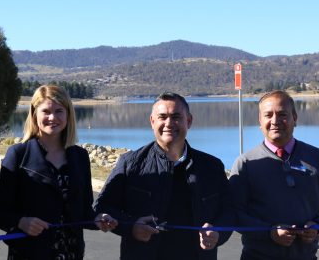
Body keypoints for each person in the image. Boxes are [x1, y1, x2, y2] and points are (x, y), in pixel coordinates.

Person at [94, 92, 232, 260]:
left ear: (188, 121)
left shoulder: (211, 167)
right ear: (152, 122)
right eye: (162, 117)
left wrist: (218, 233)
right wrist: (131, 228)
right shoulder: (130, 164)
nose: (169, 123)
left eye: (176, 117)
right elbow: (103, 207)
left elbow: (229, 211)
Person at [0, 84, 117, 260]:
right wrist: (21, 222)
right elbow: (0, 215)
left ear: (68, 114)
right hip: (29, 254)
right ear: (34, 114)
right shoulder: (18, 154)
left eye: (59, 111)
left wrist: (98, 219)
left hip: (71, 253)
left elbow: (84, 212)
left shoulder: (80, 157)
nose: (53, 117)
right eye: (46, 111)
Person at [229, 90, 319, 260]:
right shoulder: (245, 164)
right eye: (268, 115)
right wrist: (269, 232)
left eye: (282, 114)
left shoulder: (318, 158)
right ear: (260, 121)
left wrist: (318, 225)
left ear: (294, 118)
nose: (275, 121)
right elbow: (234, 214)